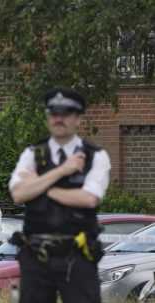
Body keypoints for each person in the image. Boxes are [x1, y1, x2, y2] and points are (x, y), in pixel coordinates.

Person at [9, 88, 111, 303]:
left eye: (66, 113)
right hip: (36, 255)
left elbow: (89, 198)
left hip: (78, 255)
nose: (59, 118)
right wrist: (62, 171)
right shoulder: (32, 154)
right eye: (54, 113)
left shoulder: (96, 156)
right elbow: (18, 194)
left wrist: (41, 186)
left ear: (78, 120)